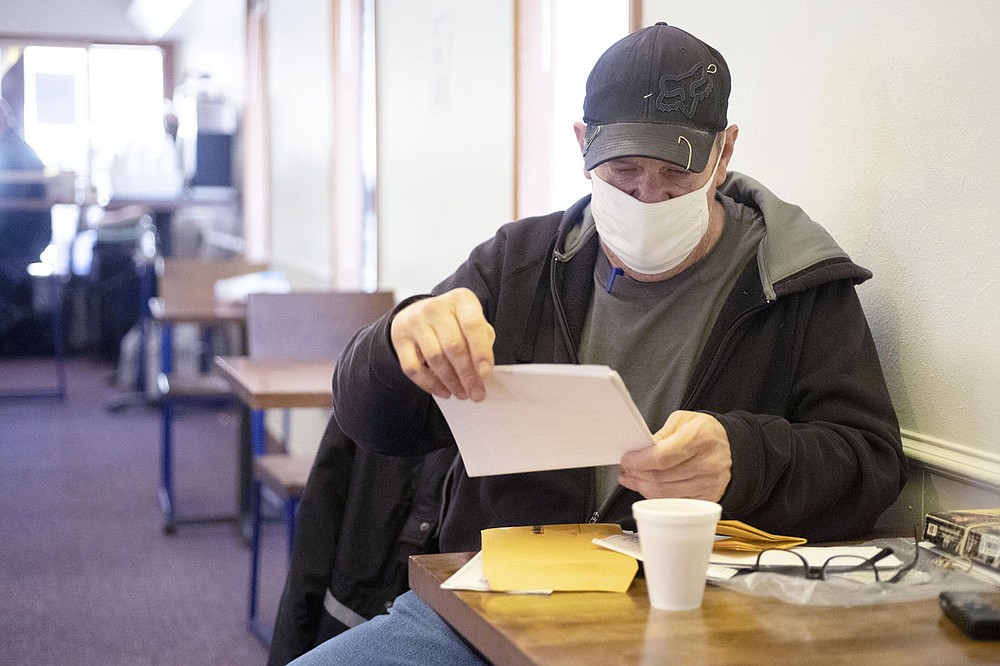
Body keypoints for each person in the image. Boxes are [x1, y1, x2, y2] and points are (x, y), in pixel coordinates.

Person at [289, 22, 907, 665]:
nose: (647, 197)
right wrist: (396, 340)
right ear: (583, 146)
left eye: (674, 174)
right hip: (496, 605)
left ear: (723, 154)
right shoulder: (519, 265)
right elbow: (374, 424)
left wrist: (743, 458)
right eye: (622, 173)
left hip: (701, 613)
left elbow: (870, 463)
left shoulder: (795, 284)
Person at [0, 97, 51, 348]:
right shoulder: (13, 147)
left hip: (21, 243)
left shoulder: (14, 153)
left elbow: (9, 210)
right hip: (22, 239)